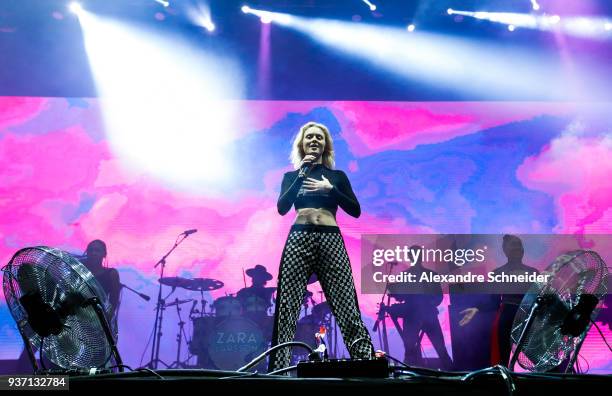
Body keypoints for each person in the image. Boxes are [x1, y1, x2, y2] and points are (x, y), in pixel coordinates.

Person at [268, 121, 374, 373]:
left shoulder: (337, 177)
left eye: (319, 137)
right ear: (302, 144)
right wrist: (302, 173)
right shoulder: (291, 176)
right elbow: (282, 207)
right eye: (309, 137)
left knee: (346, 303)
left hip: (330, 238)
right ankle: (278, 369)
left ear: (325, 145)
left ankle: (367, 364)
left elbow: (355, 210)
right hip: (299, 238)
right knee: (287, 306)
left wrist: (332, 189)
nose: (314, 141)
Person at [459, 235, 539, 367]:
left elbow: (540, 299)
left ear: (523, 250)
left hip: (528, 318)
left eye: (519, 245)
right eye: (513, 245)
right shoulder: (497, 273)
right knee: (501, 361)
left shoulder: (533, 273)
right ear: (505, 251)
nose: (517, 248)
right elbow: (493, 300)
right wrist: (477, 308)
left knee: (537, 356)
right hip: (506, 318)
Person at [387, 246, 453, 369]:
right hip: (420, 315)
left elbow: (438, 297)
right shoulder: (410, 275)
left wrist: (425, 303)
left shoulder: (420, 275)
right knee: (415, 350)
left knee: (436, 349)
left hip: (422, 315)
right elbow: (438, 297)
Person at [82, 239, 122, 335]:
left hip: (97, 321)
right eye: (90, 250)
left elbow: (113, 302)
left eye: (97, 250)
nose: (93, 253)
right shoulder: (79, 270)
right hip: (77, 316)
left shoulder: (111, 274)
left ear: (104, 254)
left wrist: (105, 322)